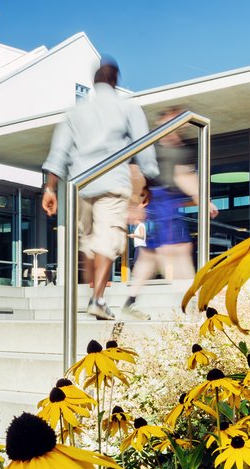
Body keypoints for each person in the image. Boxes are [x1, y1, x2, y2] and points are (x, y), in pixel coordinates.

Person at [42, 58, 159, 320]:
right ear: (115, 81)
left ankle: (95, 298)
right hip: (112, 181)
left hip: (81, 185)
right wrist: (148, 180)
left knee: (88, 243)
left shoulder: (75, 113)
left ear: (94, 83)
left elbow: (59, 151)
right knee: (107, 239)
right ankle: (97, 299)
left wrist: (50, 189)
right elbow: (144, 145)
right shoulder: (127, 108)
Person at [121, 106, 219, 319]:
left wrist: (203, 199)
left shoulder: (182, 150)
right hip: (155, 202)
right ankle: (193, 304)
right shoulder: (148, 146)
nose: (176, 130)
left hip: (166, 203)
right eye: (171, 124)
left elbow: (185, 177)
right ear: (161, 123)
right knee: (176, 251)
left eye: (179, 126)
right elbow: (134, 173)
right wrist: (133, 204)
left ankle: (132, 302)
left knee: (150, 255)